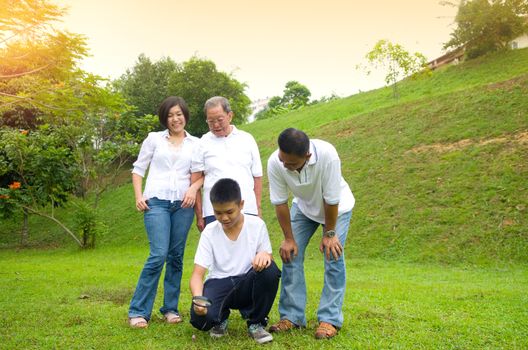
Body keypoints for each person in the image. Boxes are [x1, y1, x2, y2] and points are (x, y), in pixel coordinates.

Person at [266, 128, 355, 339]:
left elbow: (331, 200)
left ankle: (329, 319)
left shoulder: (328, 155)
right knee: (290, 254)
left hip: (336, 209)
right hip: (304, 207)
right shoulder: (275, 161)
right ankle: (292, 316)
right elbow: (280, 203)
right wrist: (288, 238)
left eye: (292, 164)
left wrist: (330, 234)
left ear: (307, 156)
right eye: (283, 160)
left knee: (333, 256)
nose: (285, 165)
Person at [128, 96, 203, 328]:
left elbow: (201, 175)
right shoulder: (153, 139)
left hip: (183, 206)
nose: (175, 119)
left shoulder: (196, 143)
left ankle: (170, 308)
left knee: (176, 257)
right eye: (170, 115)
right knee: (158, 255)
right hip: (156, 203)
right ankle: (138, 311)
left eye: (179, 114)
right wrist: (139, 196)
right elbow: (138, 169)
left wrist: (193, 187)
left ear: (185, 116)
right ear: (165, 118)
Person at [189, 178, 281, 344]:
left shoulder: (257, 225)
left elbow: (268, 258)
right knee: (200, 320)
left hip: (246, 281)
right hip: (219, 283)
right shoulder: (209, 232)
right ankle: (220, 319)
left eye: (229, 212)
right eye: (218, 213)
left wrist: (265, 256)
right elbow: (197, 275)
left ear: (241, 204)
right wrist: (198, 300)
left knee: (271, 271)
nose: (224, 218)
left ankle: (256, 324)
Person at [191, 96, 262, 231]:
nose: (216, 125)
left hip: (247, 209)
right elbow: (195, 181)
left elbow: (257, 176)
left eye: (219, 120)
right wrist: (200, 215)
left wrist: (258, 208)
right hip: (214, 213)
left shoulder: (247, 139)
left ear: (230, 116)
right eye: (210, 121)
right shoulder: (202, 144)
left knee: (250, 250)